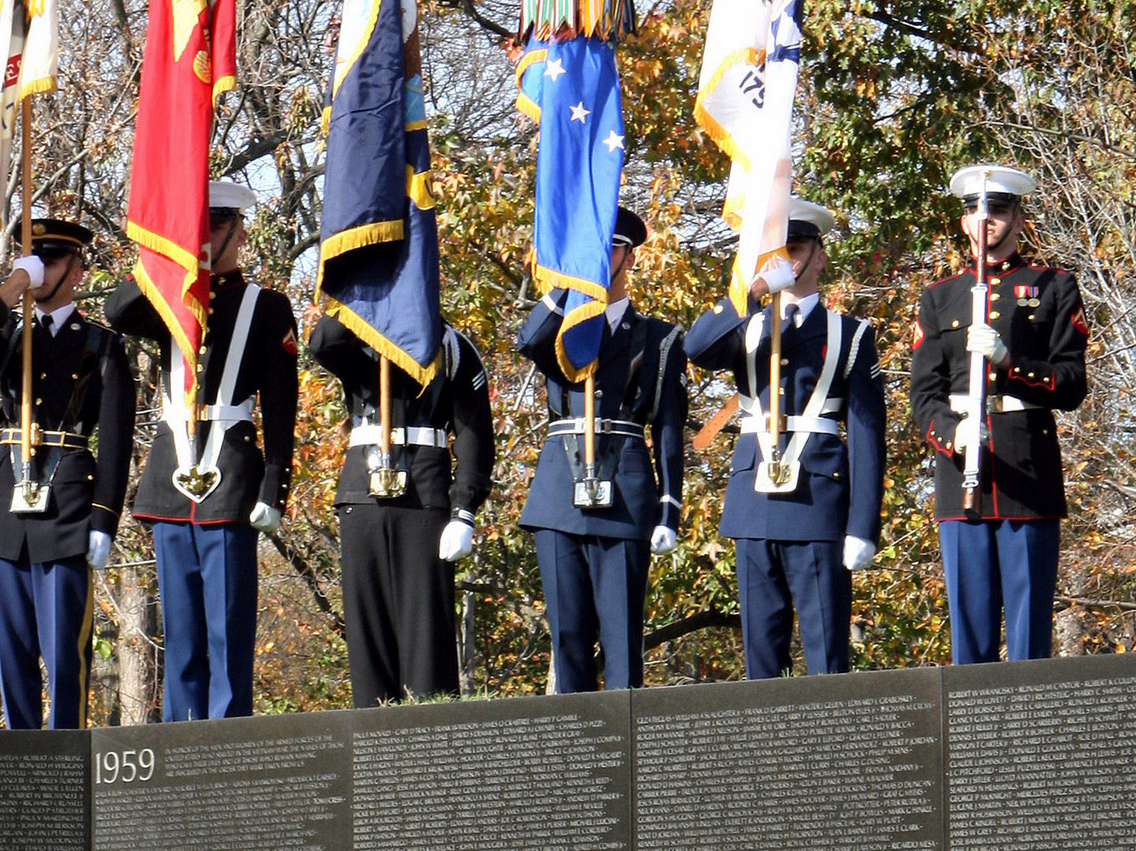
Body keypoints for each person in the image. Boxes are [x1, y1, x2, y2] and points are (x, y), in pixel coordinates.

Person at [105, 182, 299, 720]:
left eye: (215, 227)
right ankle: (178, 741)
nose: (207, 237)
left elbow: (281, 405)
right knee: (182, 634)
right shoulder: (169, 296)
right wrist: (166, 253)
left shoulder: (267, 307)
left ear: (240, 232)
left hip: (231, 478)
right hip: (172, 477)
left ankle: (228, 742)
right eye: (198, 227)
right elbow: (118, 311)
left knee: (227, 631)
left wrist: (275, 488)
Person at [685, 199, 885, 679]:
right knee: (761, 662)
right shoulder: (747, 324)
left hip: (817, 501)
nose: (787, 260)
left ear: (819, 256)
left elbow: (867, 435)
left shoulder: (850, 333)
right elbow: (696, 347)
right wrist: (752, 291)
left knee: (826, 656)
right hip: (753, 501)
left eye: (795, 249)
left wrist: (863, 525)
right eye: (777, 251)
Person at [0, 211, 136, 730]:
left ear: (77, 271)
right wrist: (14, 283)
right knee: (10, 656)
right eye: (32, 258)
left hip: (65, 506)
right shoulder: (9, 335)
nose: (39, 268)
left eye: (50, 261)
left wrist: (104, 519)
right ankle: (21, 759)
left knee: (64, 655)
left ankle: (65, 756)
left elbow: (116, 440)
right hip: (4, 504)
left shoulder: (101, 344)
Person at [909, 163, 1090, 663]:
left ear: (1018, 218)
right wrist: (953, 434)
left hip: (1027, 471)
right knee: (969, 640)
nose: (985, 218)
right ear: (964, 221)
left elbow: (1071, 383)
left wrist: (1010, 363)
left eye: (998, 209)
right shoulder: (940, 296)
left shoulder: (1053, 286)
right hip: (960, 474)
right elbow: (924, 395)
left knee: (1029, 640)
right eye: (975, 210)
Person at [516, 205, 686, 692]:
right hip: (559, 492)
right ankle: (577, 742)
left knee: (622, 642)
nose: (598, 256)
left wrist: (669, 508)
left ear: (629, 258)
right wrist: (572, 283)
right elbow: (528, 340)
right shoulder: (561, 326)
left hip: (625, 493)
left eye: (607, 248)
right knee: (568, 639)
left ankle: (625, 741)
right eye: (588, 247)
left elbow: (669, 427)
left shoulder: (659, 338)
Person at [305, 312, 495, 708]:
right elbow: (322, 342)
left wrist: (464, 510)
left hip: (423, 498)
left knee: (427, 646)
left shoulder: (452, 345)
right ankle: (373, 743)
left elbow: (474, 434)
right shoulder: (358, 334)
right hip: (362, 497)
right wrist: (359, 298)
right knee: (368, 648)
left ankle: (429, 743)